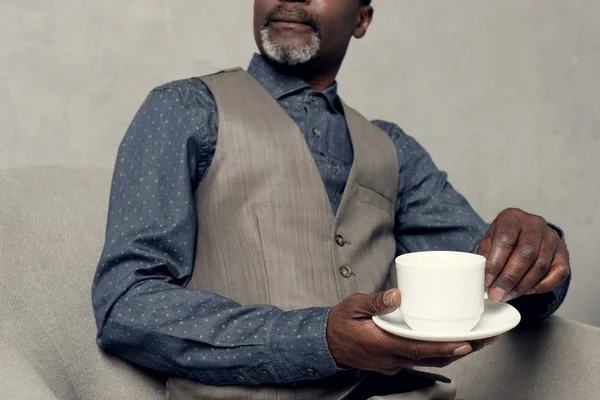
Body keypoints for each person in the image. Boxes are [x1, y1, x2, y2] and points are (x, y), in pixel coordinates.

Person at [92, 1, 571, 399]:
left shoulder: (392, 148)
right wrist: (320, 341)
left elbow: (489, 286)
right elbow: (126, 305)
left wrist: (536, 255)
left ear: (362, 18)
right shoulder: (184, 109)